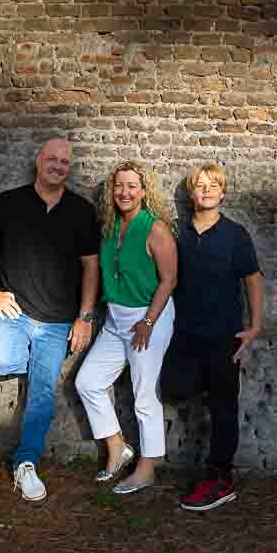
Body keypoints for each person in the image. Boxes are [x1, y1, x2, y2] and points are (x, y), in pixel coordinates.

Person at [0, 137, 100, 503]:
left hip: (58, 321)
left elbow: (91, 266)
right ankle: (32, 362)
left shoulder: (81, 210)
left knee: (42, 391)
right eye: (52, 159)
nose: (58, 166)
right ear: (39, 161)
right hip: (16, 313)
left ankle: (25, 463)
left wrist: (85, 317)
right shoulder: (11, 201)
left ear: (68, 169)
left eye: (64, 162)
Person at [160, 163, 264, 512]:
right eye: (199, 185)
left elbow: (252, 279)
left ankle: (220, 477)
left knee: (223, 407)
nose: (205, 190)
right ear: (191, 194)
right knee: (175, 388)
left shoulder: (236, 235)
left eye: (212, 185)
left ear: (222, 193)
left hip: (224, 336)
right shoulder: (177, 232)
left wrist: (255, 326)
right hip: (184, 334)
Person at [76, 160, 177, 495]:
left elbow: (169, 280)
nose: (125, 192)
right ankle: (118, 447)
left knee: (144, 395)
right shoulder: (108, 226)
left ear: (144, 191)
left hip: (149, 317)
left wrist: (148, 322)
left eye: (132, 186)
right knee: (88, 382)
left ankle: (148, 467)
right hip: (115, 320)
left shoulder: (155, 229)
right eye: (119, 186)